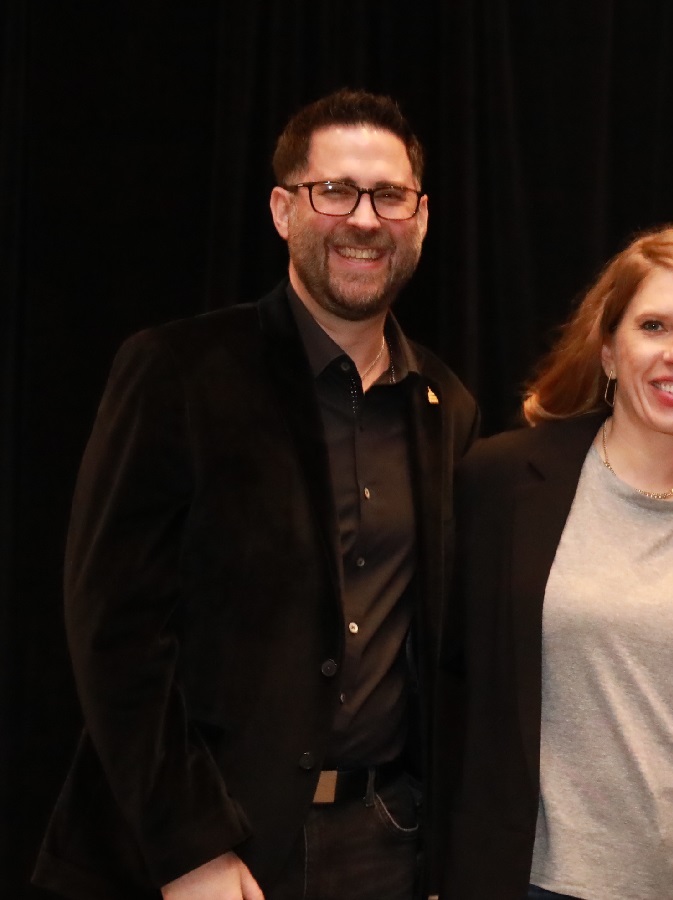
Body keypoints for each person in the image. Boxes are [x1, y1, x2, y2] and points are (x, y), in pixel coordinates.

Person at [32, 89, 479, 900]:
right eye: (334, 190)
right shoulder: (178, 372)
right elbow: (114, 633)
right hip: (209, 855)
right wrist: (190, 845)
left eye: (389, 195)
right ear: (283, 210)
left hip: (385, 845)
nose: (365, 219)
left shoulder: (445, 405)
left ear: (421, 217)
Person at [440, 226, 673, 900]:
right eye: (653, 325)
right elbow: (448, 692)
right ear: (607, 350)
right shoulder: (503, 484)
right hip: (538, 886)